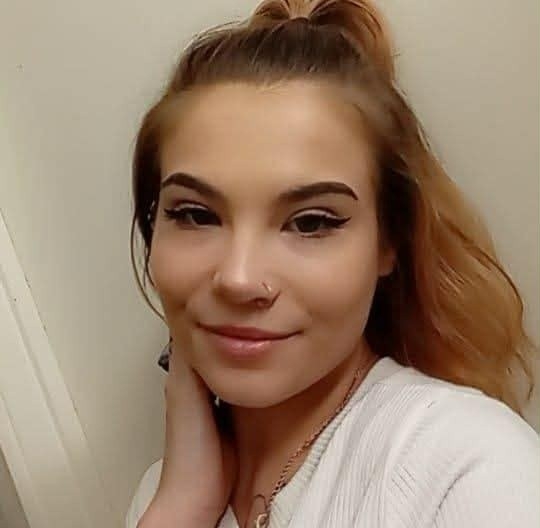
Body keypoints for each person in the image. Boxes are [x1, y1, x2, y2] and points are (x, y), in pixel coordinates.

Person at [125, 1, 540, 527]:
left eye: (310, 223)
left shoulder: (470, 468)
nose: (239, 278)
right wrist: (181, 507)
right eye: (195, 214)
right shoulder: (162, 492)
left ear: (389, 241)